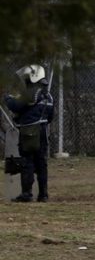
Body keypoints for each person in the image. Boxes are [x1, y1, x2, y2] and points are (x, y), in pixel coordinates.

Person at [4, 64, 54, 202]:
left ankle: (27, 194)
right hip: (42, 131)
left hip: (29, 132)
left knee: (27, 161)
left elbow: (15, 106)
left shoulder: (32, 93)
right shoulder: (48, 95)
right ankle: (43, 194)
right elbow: (50, 117)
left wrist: (7, 98)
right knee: (41, 162)